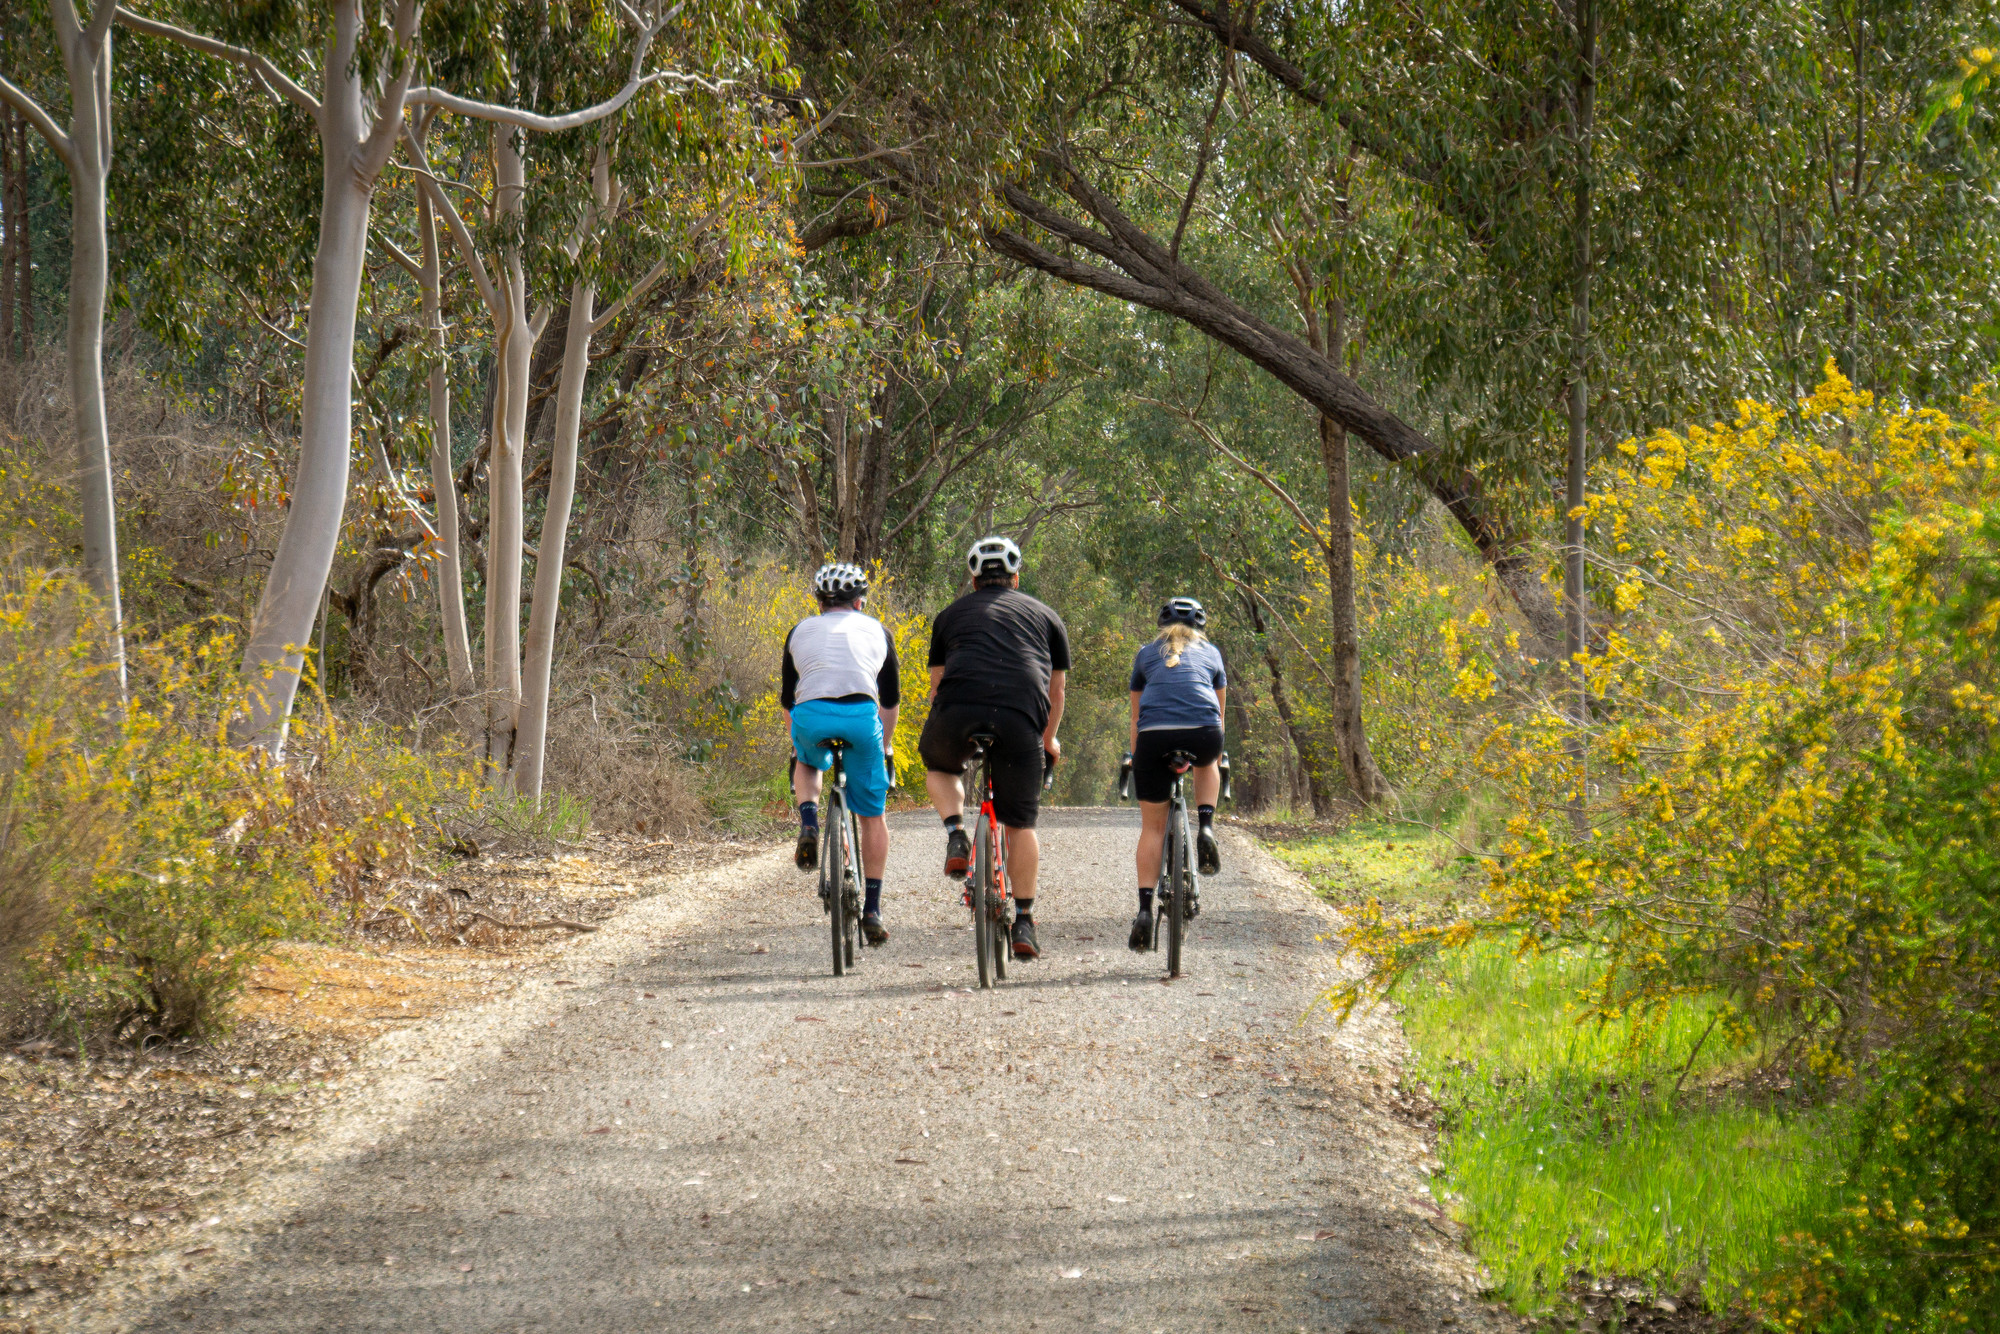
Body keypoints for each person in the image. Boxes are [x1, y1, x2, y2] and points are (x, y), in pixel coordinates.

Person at [918, 535, 1069, 961]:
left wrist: (952, 724)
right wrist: (1048, 738)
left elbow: (936, 687)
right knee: (1020, 824)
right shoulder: (1046, 616)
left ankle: (956, 835)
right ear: (1016, 579)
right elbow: (1056, 690)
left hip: (958, 710)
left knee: (939, 765)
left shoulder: (948, 617)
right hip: (1020, 717)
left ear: (972, 582)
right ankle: (1024, 919)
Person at [782, 562, 900, 945]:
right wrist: (885, 748)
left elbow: (788, 701)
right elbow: (890, 702)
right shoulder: (878, 631)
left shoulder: (799, 631)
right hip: (861, 717)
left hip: (811, 716)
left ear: (819, 603)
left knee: (807, 761)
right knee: (872, 818)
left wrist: (799, 744)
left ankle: (809, 822)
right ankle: (873, 910)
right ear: (860, 602)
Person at [1126, 596, 1226, 952]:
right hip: (1203, 732)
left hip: (1155, 737)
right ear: (1201, 626)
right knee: (1208, 760)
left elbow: (1138, 719)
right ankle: (1207, 825)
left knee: (1153, 828)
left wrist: (1137, 758)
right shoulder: (1212, 654)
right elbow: (1218, 714)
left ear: (1161, 625)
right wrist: (1216, 750)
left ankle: (1143, 910)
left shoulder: (1145, 654)